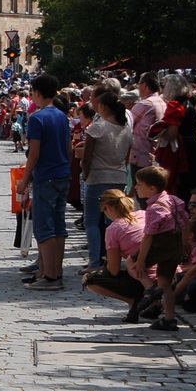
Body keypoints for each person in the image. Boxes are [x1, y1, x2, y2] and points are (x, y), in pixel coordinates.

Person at [20, 75, 71, 290]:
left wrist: (24, 181)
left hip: (46, 176)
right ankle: (54, 272)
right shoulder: (61, 115)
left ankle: (50, 276)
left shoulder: (37, 118)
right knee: (59, 226)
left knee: (44, 228)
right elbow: (68, 147)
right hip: (62, 173)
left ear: (37, 93)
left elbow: (34, 153)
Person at [80, 89, 131, 271]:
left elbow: (87, 156)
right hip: (119, 176)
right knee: (113, 220)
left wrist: (85, 173)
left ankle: (95, 261)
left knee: (92, 221)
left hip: (98, 176)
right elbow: (127, 156)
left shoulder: (97, 127)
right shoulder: (126, 128)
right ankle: (112, 261)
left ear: (102, 106)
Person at [132, 166, 186, 332]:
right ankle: (170, 319)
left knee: (131, 262)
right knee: (165, 282)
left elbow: (148, 235)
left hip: (160, 244)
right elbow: (185, 220)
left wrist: (140, 260)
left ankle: (151, 289)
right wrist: (186, 243)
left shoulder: (154, 208)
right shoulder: (174, 200)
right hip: (176, 244)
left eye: (139, 184)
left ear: (152, 188)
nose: (136, 187)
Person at [83, 190, 149, 312]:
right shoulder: (144, 214)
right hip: (164, 273)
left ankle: (133, 301)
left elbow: (113, 270)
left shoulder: (113, 229)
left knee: (90, 280)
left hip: (141, 275)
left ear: (108, 208)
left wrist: (109, 261)